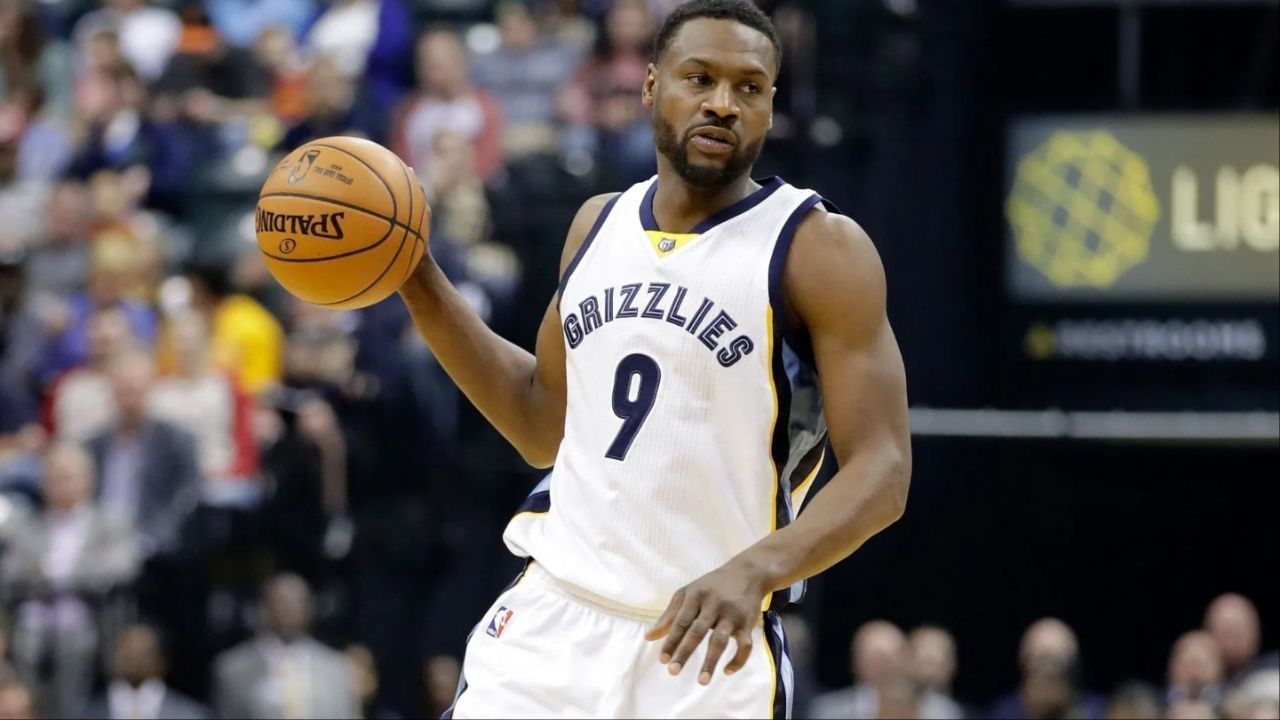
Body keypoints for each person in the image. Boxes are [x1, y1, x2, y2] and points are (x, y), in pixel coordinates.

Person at [396, 0, 911, 716]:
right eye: (699, 79)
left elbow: (883, 469)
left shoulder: (818, 248)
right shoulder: (595, 226)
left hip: (706, 644)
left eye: (749, 88)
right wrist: (417, 279)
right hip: (551, 624)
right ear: (650, 87)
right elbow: (539, 423)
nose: (723, 105)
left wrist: (755, 570)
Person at [1, 443, 141, 719]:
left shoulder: (109, 522)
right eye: (53, 479)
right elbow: (10, 573)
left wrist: (53, 579)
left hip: (86, 620)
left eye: (67, 477)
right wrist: (63, 581)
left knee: (72, 644)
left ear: (88, 480)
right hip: (33, 622)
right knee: (28, 643)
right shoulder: (27, 525)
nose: (59, 486)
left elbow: (121, 570)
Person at [213, 573, 359, 719]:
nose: (289, 609)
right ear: (265, 607)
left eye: (297, 601)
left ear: (310, 608)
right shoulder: (232, 669)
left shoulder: (336, 668)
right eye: (281, 601)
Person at [85, 624, 210, 719]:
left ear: (161, 660)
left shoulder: (190, 715)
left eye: (141, 654)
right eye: (126, 653)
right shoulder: (88, 713)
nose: (132, 661)